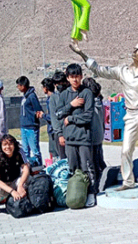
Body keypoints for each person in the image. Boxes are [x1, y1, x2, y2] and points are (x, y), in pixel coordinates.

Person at [70, 41, 138, 191]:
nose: (134, 51)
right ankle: (128, 181)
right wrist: (81, 53)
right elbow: (99, 70)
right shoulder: (123, 71)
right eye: (133, 48)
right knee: (126, 149)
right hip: (131, 115)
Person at [56, 63, 96, 206]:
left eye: (77, 76)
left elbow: (88, 116)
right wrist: (71, 105)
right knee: (72, 168)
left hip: (84, 138)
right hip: (69, 139)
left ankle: (91, 193)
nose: (75, 80)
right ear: (67, 78)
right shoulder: (64, 95)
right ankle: (74, 195)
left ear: (81, 76)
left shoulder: (87, 93)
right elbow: (58, 114)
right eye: (72, 77)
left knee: (87, 167)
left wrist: (70, 118)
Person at [0, 134, 30, 214]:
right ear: (1, 146)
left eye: (10, 144)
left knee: (27, 180)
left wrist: (20, 186)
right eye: (5, 145)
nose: (8, 147)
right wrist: (12, 191)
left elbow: (26, 169)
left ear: (14, 144)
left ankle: (16, 200)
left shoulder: (19, 152)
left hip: (13, 179)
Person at [83, 77, 107, 193]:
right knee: (99, 160)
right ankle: (104, 179)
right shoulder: (99, 102)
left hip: (93, 137)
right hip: (99, 135)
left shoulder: (91, 104)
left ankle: (98, 184)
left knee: (93, 163)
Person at [16, 76, 44, 166]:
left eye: (19, 85)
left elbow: (38, 110)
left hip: (31, 127)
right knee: (25, 151)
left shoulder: (32, 96)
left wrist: (33, 118)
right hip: (24, 126)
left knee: (35, 151)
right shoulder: (24, 96)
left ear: (23, 85)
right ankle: (27, 169)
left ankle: (39, 168)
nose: (18, 88)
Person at [49, 71, 68, 159]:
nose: (60, 85)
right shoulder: (54, 98)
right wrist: (60, 134)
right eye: (57, 83)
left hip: (72, 132)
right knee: (63, 158)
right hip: (60, 133)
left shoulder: (70, 94)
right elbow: (54, 118)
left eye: (62, 82)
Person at [41, 78, 57, 160]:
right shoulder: (50, 98)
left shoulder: (52, 99)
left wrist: (43, 115)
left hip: (54, 130)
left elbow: (52, 117)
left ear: (46, 88)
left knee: (54, 152)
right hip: (52, 130)